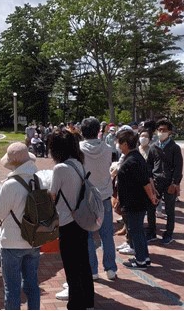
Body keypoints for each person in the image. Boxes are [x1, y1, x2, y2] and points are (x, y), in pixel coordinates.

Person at [49, 129, 94, 309]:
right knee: (83, 263)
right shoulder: (79, 163)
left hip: (67, 222)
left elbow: (53, 195)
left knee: (71, 265)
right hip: (82, 220)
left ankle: (76, 304)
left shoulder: (60, 168)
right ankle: (88, 301)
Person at [0, 142, 40, 310]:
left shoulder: (10, 185)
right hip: (34, 239)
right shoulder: (38, 179)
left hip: (12, 243)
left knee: (12, 290)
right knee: (32, 286)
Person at [78, 117, 117, 281]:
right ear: (98, 131)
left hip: (86, 198)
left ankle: (92, 270)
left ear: (82, 131)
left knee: (87, 237)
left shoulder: (78, 149)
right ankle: (111, 269)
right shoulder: (108, 149)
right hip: (104, 196)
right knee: (107, 235)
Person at [116, 129, 158, 270]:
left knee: (135, 230)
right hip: (136, 201)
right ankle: (144, 257)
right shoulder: (135, 157)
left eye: (120, 143)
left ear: (126, 144)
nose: (118, 146)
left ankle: (141, 260)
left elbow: (145, 181)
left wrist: (152, 196)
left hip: (135, 202)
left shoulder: (132, 160)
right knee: (138, 230)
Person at [146, 118, 183, 244]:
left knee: (169, 210)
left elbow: (178, 167)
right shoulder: (153, 147)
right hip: (155, 183)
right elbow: (149, 166)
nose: (161, 132)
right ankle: (151, 232)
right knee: (151, 208)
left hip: (169, 183)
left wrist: (174, 183)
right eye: (159, 130)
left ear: (170, 132)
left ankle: (168, 234)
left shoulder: (174, 148)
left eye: (164, 130)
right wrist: (150, 182)